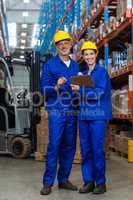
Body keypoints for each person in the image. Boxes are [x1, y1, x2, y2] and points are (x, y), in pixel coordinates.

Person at [40, 30, 79, 195]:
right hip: (57, 110)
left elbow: (79, 87)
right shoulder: (50, 65)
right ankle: (48, 182)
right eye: (60, 44)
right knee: (54, 145)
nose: (64, 46)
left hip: (72, 110)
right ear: (57, 47)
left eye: (66, 43)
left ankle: (63, 179)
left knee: (69, 146)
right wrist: (56, 85)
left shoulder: (76, 65)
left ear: (71, 45)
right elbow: (44, 89)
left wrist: (80, 88)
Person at [71, 41, 112, 194]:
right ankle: (88, 181)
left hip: (98, 116)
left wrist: (80, 90)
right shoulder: (83, 74)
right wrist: (75, 90)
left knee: (97, 150)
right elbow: (82, 96)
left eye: (91, 54)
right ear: (82, 56)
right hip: (84, 116)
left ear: (96, 54)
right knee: (86, 150)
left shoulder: (101, 72)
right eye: (86, 54)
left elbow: (99, 93)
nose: (89, 57)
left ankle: (101, 182)